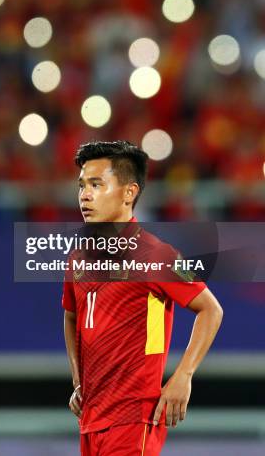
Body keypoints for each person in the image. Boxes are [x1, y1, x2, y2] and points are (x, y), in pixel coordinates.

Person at [63, 140, 223, 456]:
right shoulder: (78, 259)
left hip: (135, 418)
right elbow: (71, 316)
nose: (84, 195)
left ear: (129, 193)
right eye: (82, 185)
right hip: (91, 420)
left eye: (97, 184)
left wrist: (183, 376)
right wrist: (78, 381)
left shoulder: (156, 255)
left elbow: (210, 309)